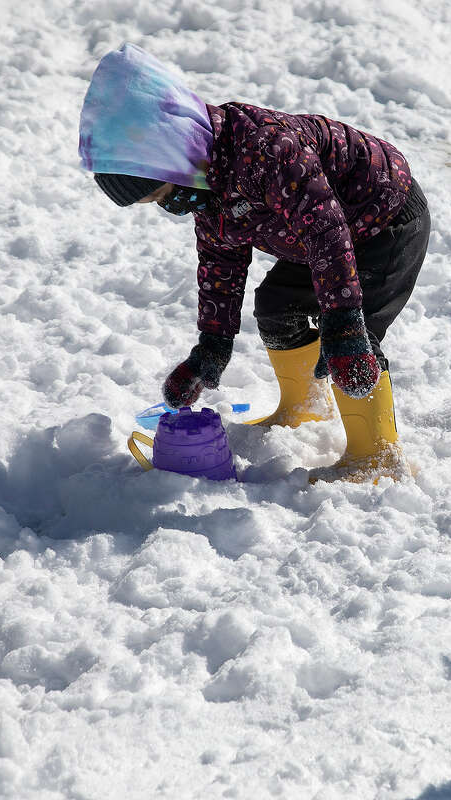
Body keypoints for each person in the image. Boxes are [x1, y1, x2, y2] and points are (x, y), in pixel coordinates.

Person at [78, 44, 429, 482]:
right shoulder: (205, 182)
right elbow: (220, 264)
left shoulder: (264, 149)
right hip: (316, 240)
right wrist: (212, 346)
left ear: (172, 160)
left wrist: (342, 325)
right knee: (277, 306)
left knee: (355, 340)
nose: (167, 206)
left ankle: (377, 456)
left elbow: (326, 229)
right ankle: (301, 407)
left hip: (384, 222)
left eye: (160, 194)